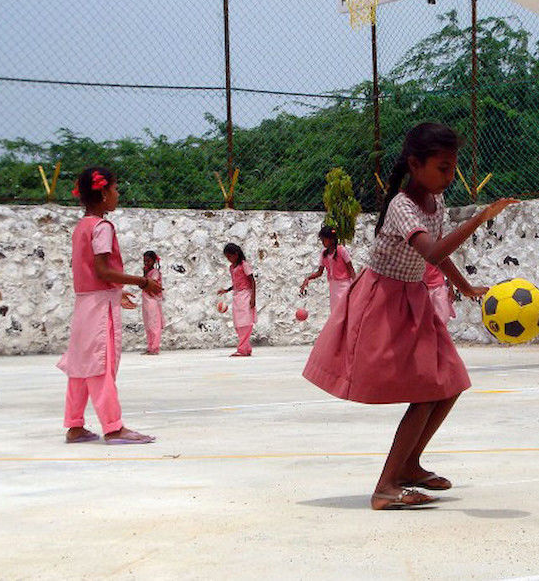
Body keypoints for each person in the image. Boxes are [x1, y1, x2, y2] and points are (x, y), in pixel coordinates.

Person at [302, 122, 517, 510]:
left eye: (453, 168)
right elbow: (431, 252)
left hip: (412, 298)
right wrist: (479, 219)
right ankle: (386, 487)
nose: (449, 177)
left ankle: (410, 465)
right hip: (383, 301)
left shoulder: (435, 203)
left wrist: (465, 287)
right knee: (426, 392)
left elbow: (436, 255)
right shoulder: (403, 206)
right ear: (415, 164)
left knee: (450, 384)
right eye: (442, 167)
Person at [57, 167, 161, 444]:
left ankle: (75, 425)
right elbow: (103, 270)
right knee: (102, 365)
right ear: (103, 193)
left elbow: (91, 271)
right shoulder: (102, 227)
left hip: (84, 303)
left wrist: (118, 291)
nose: (117, 195)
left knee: (80, 366)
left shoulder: (82, 226)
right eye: (115, 189)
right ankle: (113, 427)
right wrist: (142, 282)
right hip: (99, 306)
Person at [299, 226, 356, 312]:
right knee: (335, 312)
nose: (322, 242)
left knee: (345, 310)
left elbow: (351, 269)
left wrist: (356, 284)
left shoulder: (342, 251)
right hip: (333, 287)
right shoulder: (324, 254)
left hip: (344, 285)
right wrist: (308, 278)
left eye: (324, 239)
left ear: (332, 239)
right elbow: (320, 272)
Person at [217, 243, 256, 357]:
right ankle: (246, 347)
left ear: (236, 254)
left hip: (246, 295)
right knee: (238, 323)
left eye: (230, 256)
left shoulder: (244, 265)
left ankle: (242, 349)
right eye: (227, 257)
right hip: (237, 296)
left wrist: (253, 298)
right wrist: (227, 290)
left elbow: (252, 281)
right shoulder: (232, 267)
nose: (229, 259)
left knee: (245, 322)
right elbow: (237, 282)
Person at [141, 251, 165, 355]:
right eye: (145, 261)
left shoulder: (155, 272)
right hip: (146, 299)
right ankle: (150, 346)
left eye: (149, 261)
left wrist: (143, 283)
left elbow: (150, 285)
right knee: (148, 324)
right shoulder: (146, 271)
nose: (146, 263)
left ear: (154, 261)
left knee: (154, 323)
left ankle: (155, 347)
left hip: (152, 300)